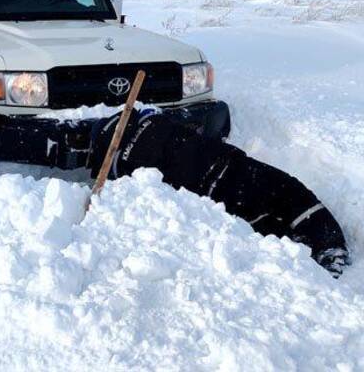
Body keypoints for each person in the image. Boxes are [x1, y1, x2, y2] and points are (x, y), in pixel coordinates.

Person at [86, 108, 350, 277]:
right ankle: (317, 246)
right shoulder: (147, 131)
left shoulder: (131, 153)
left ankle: (316, 246)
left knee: (275, 209)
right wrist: (330, 249)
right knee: (276, 207)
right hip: (224, 177)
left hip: (224, 178)